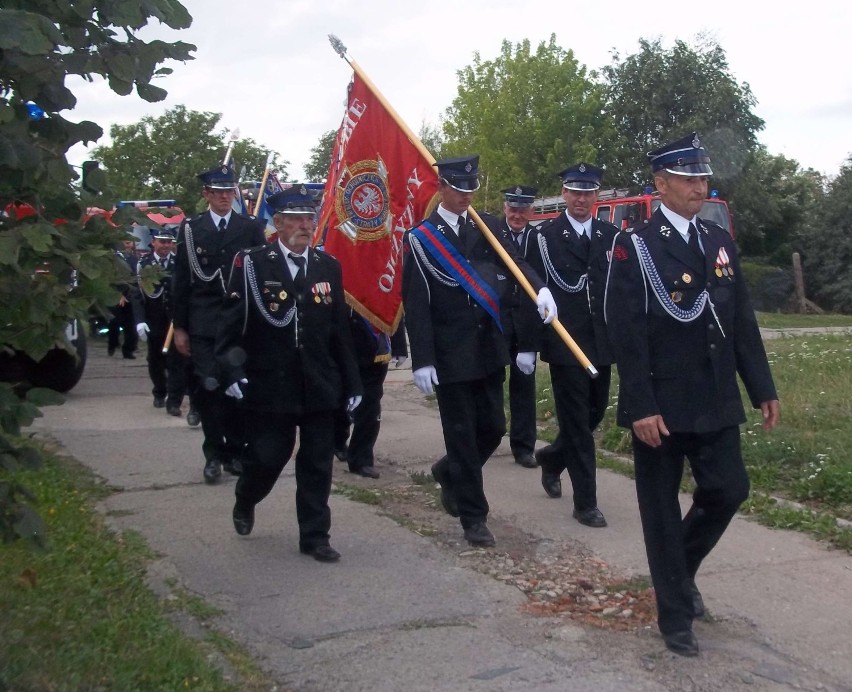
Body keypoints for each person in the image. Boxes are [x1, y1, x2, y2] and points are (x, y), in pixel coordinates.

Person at [604, 132, 779, 656]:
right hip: (660, 401)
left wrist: (761, 387)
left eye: (703, 178)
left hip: (715, 394)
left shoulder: (717, 241)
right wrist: (638, 404)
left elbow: (740, 318)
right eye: (688, 179)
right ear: (661, 185)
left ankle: (676, 573)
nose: (699, 186)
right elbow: (625, 330)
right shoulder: (633, 243)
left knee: (729, 489)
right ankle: (674, 614)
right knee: (658, 508)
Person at [402, 155, 557, 548]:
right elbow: (416, 303)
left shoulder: (486, 226)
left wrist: (539, 287)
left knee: (493, 428)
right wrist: (422, 358)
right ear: (441, 188)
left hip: (489, 347)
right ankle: (474, 517)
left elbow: (516, 262)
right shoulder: (422, 237)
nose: (463, 196)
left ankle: (448, 471)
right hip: (450, 352)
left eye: (469, 189)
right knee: (461, 434)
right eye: (456, 189)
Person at [216, 186, 362, 562]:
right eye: (294, 219)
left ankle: (315, 536)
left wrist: (352, 382)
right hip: (271, 383)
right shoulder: (251, 263)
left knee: (316, 462)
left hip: (319, 383)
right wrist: (232, 371)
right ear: (277, 223)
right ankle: (247, 496)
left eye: (309, 219)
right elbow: (232, 325)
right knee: (267, 457)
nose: (303, 226)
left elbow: (338, 333)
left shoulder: (327, 266)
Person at [517, 164, 618, 528]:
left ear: (596, 196)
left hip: (601, 343)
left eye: (588, 192)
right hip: (565, 343)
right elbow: (527, 287)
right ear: (564, 193)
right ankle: (586, 503)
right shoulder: (543, 236)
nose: (581, 199)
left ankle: (552, 458)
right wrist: (527, 345)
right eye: (574, 192)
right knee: (576, 424)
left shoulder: (611, 234)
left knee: (594, 414)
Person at [172, 164, 267, 484]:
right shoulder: (190, 229)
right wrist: (180, 327)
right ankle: (214, 454)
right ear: (207, 195)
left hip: (240, 321)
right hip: (204, 322)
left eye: (229, 191)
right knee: (209, 387)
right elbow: (182, 280)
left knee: (238, 389)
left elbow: (260, 277)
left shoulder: (250, 227)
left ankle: (237, 452)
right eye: (218, 192)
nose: (225, 197)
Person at [485, 186, 540, 470]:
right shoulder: (491, 235)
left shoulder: (538, 239)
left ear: (531, 211)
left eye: (523, 210)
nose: (518, 215)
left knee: (524, 386)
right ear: (505, 208)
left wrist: (532, 341)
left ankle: (523, 446)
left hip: (526, 324)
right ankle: (488, 436)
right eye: (513, 209)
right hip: (498, 321)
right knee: (491, 382)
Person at [131, 227, 198, 422]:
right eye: (162, 242)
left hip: (174, 321)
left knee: (177, 362)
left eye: (169, 242)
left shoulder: (178, 263)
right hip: (153, 320)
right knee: (155, 360)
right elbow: (137, 295)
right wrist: (139, 321)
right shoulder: (143, 264)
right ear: (153, 242)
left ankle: (173, 402)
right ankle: (159, 391)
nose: (166, 246)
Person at [334, 316, 407, 478]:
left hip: (375, 346)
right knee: (341, 400)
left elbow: (392, 304)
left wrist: (399, 345)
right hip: (343, 342)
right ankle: (338, 440)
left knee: (371, 404)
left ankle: (361, 459)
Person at [107, 238, 139, 359]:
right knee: (114, 322)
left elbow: (136, 278)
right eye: (125, 242)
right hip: (116, 294)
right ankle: (112, 343)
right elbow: (110, 278)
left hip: (130, 295)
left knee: (131, 324)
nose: (128, 244)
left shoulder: (135, 259)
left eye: (130, 242)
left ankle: (129, 350)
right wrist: (118, 295)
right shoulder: (113, 258)